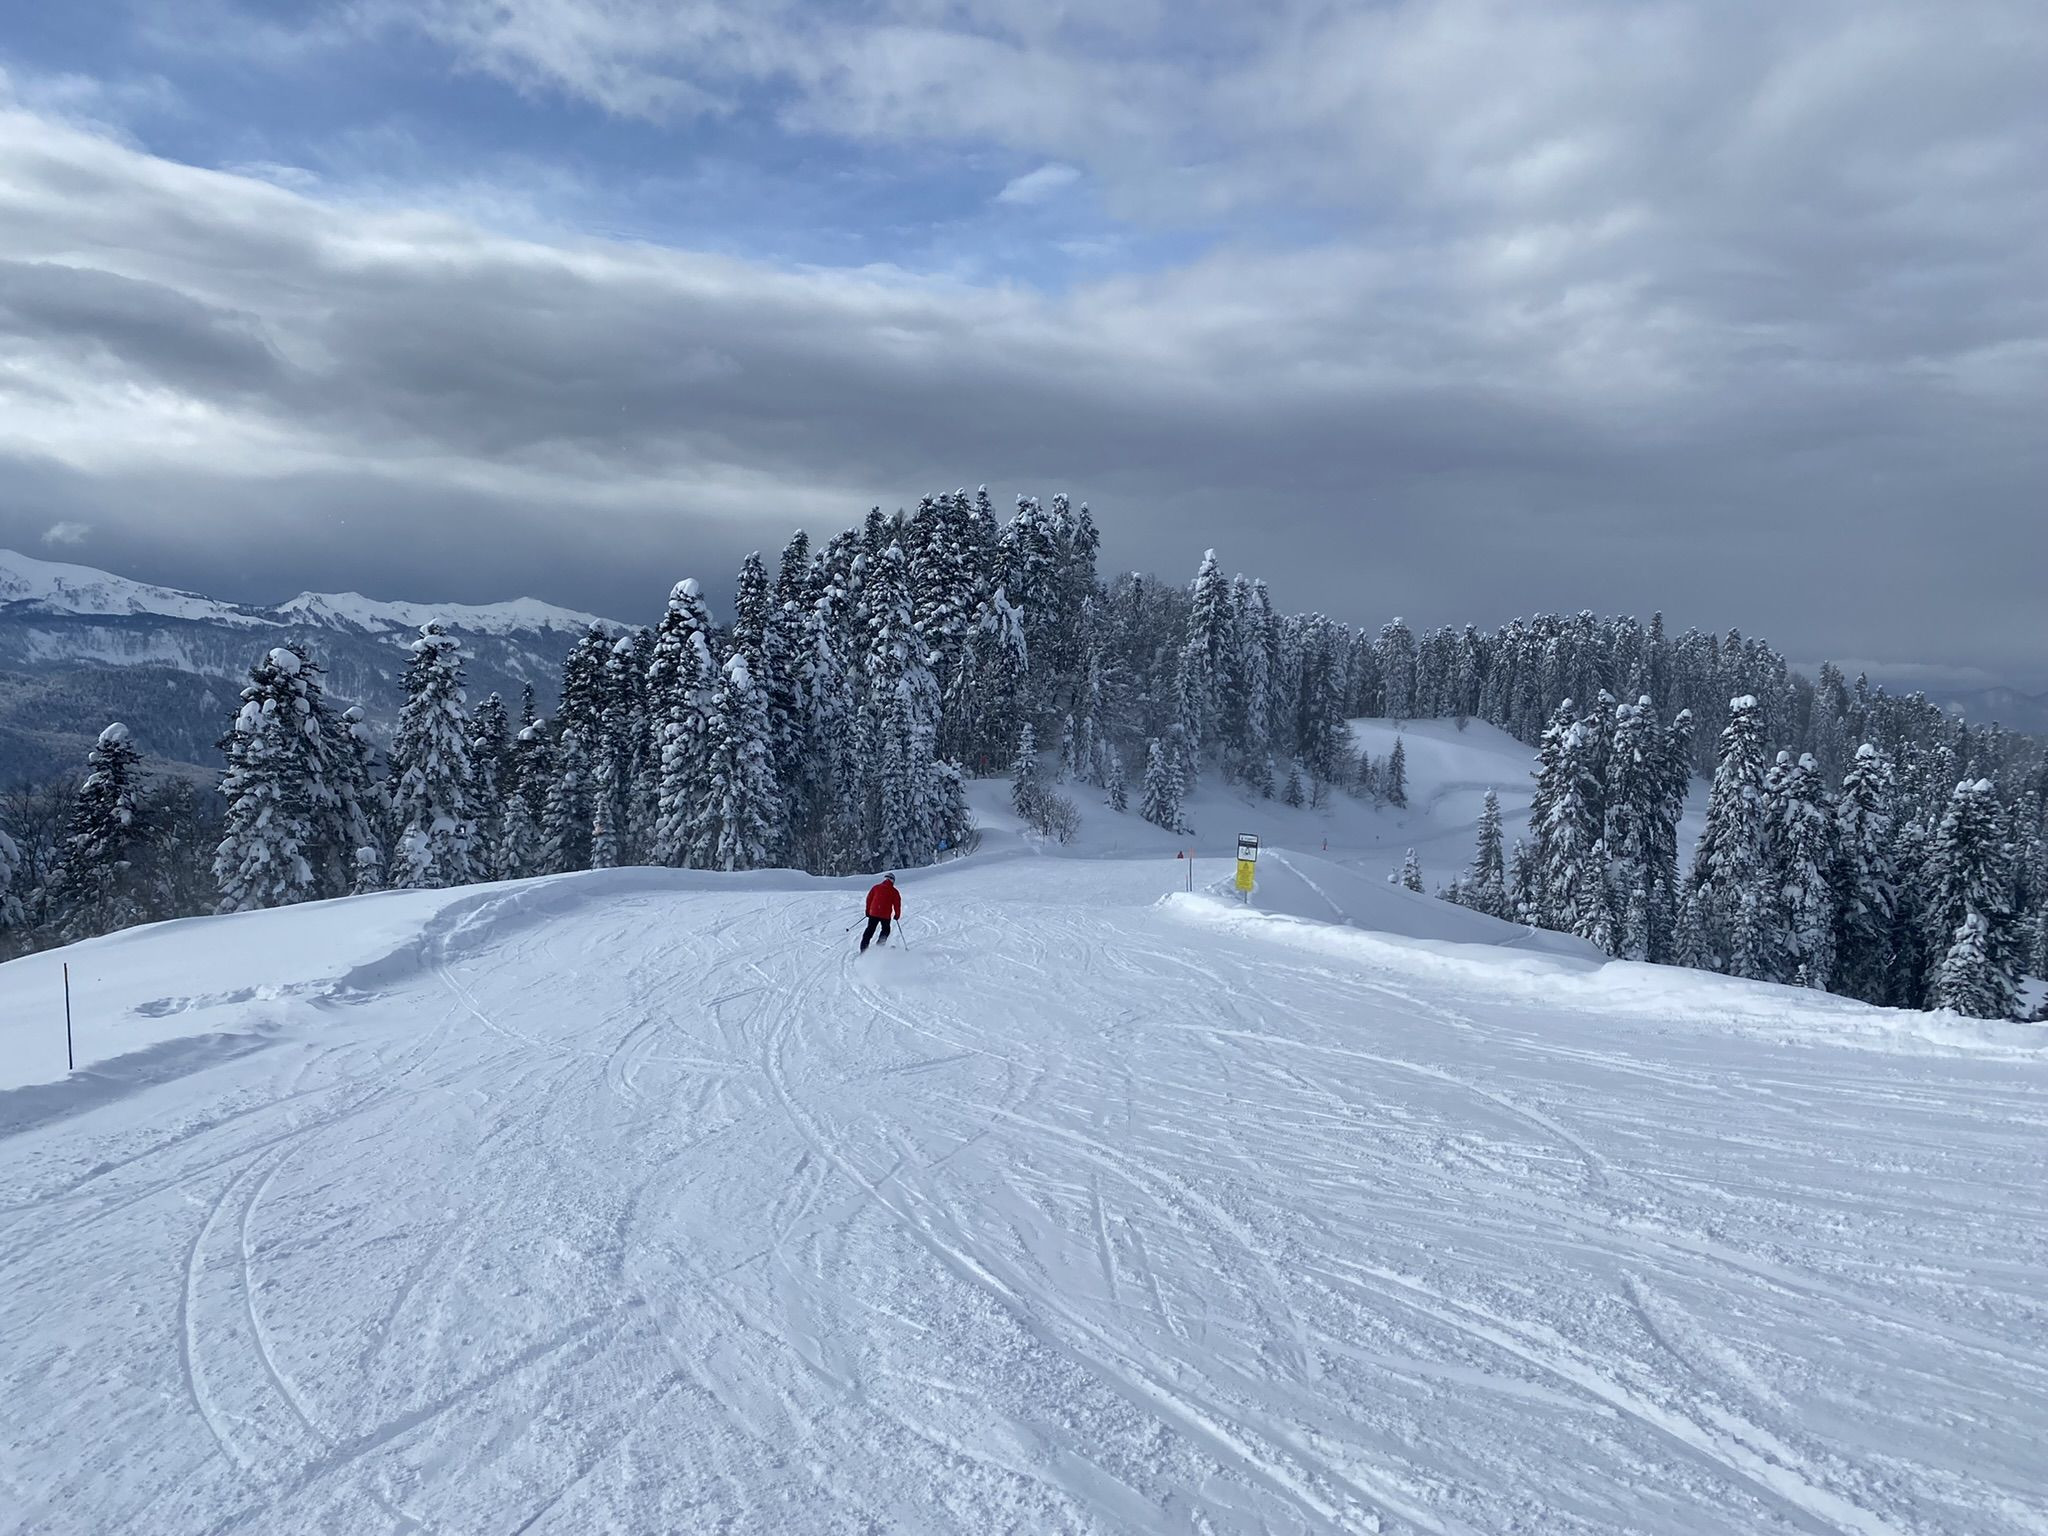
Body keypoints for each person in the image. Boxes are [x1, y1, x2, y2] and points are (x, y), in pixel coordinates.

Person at [860, 873, 901, 952]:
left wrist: (867, 911)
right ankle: (879, 947)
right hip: (885, 915)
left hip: (874, 913)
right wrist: (897, 915)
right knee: (886, 930)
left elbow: (869, 899)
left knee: (870, 930)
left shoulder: (876, 887)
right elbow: (897, 904)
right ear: (893, 881)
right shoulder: (894, 891)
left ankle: (863, 949)